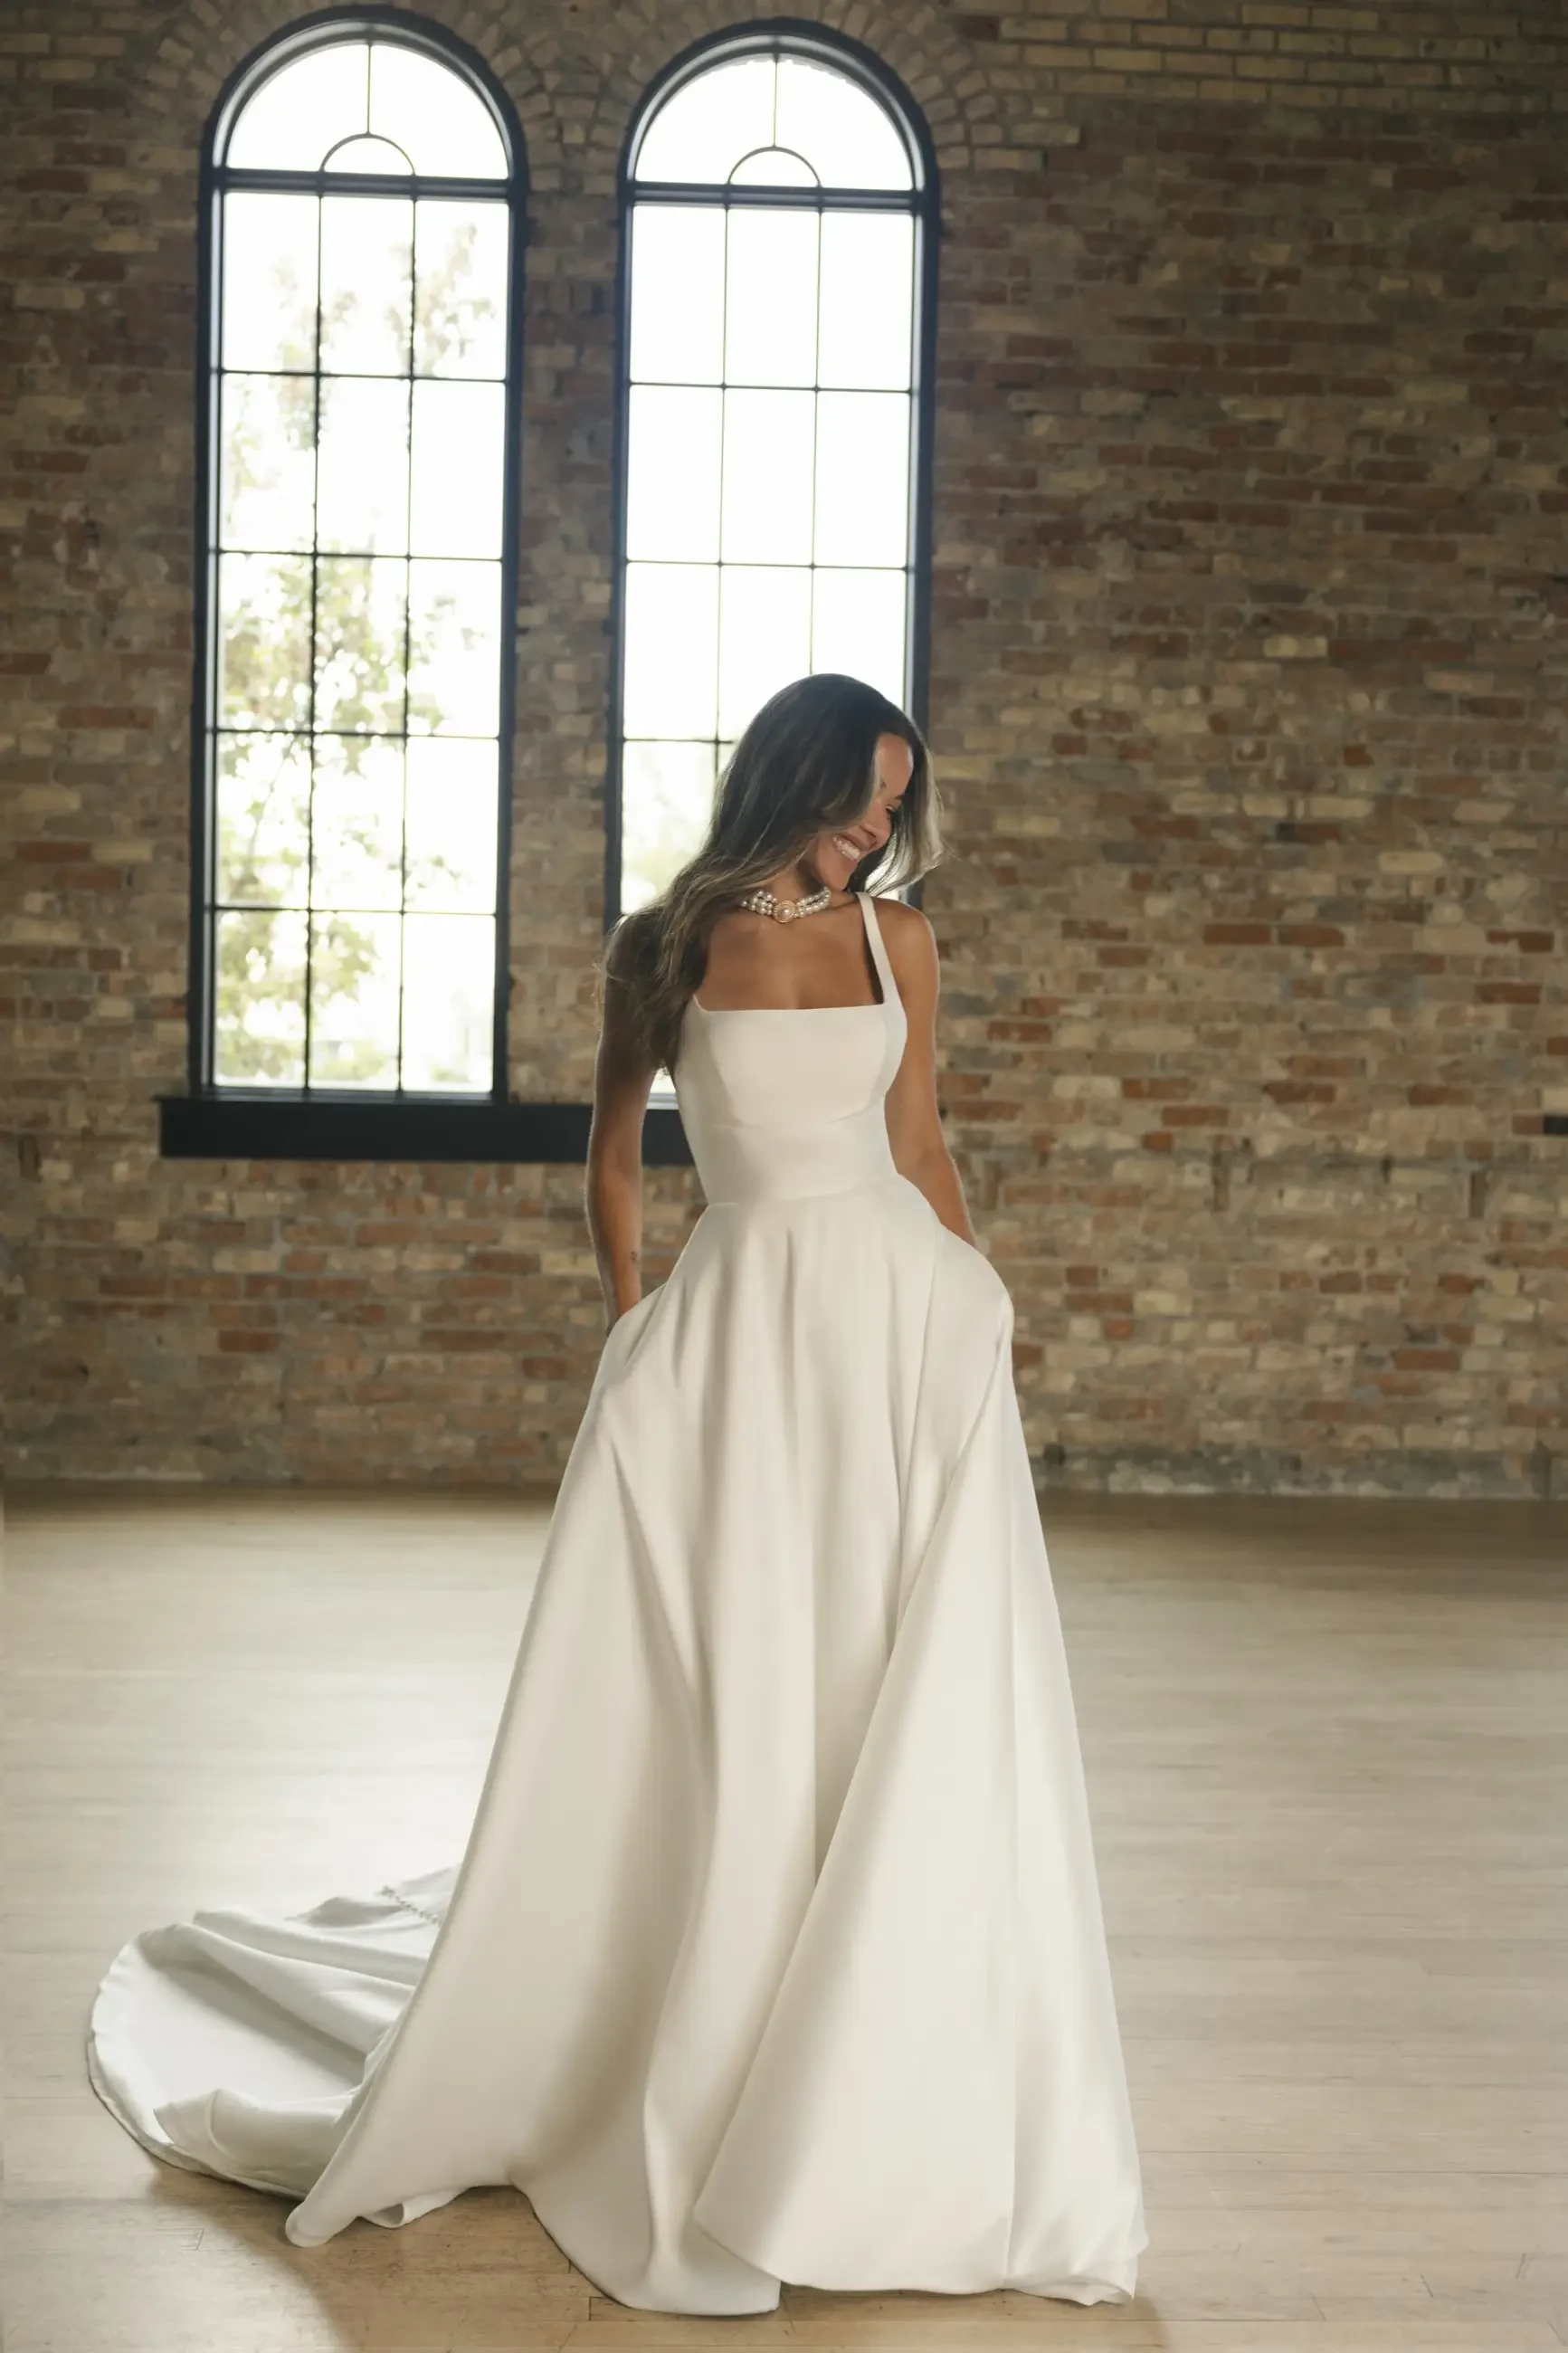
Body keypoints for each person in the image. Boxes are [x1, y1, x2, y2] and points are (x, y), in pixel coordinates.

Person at [86, 673, 1147, 2314]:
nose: (884, 825)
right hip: (742, 1329)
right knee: (750, 1665)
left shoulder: (901, 941)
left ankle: (876, 2041)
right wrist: (632, 1323)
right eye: (868, 792)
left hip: (900, 1322)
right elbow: (607, 1152)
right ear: (797, 775)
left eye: (898, 800)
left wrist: (979, 1301)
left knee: (899, 1667)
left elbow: (921, 1141)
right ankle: (726, 1985)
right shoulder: (665, 946)